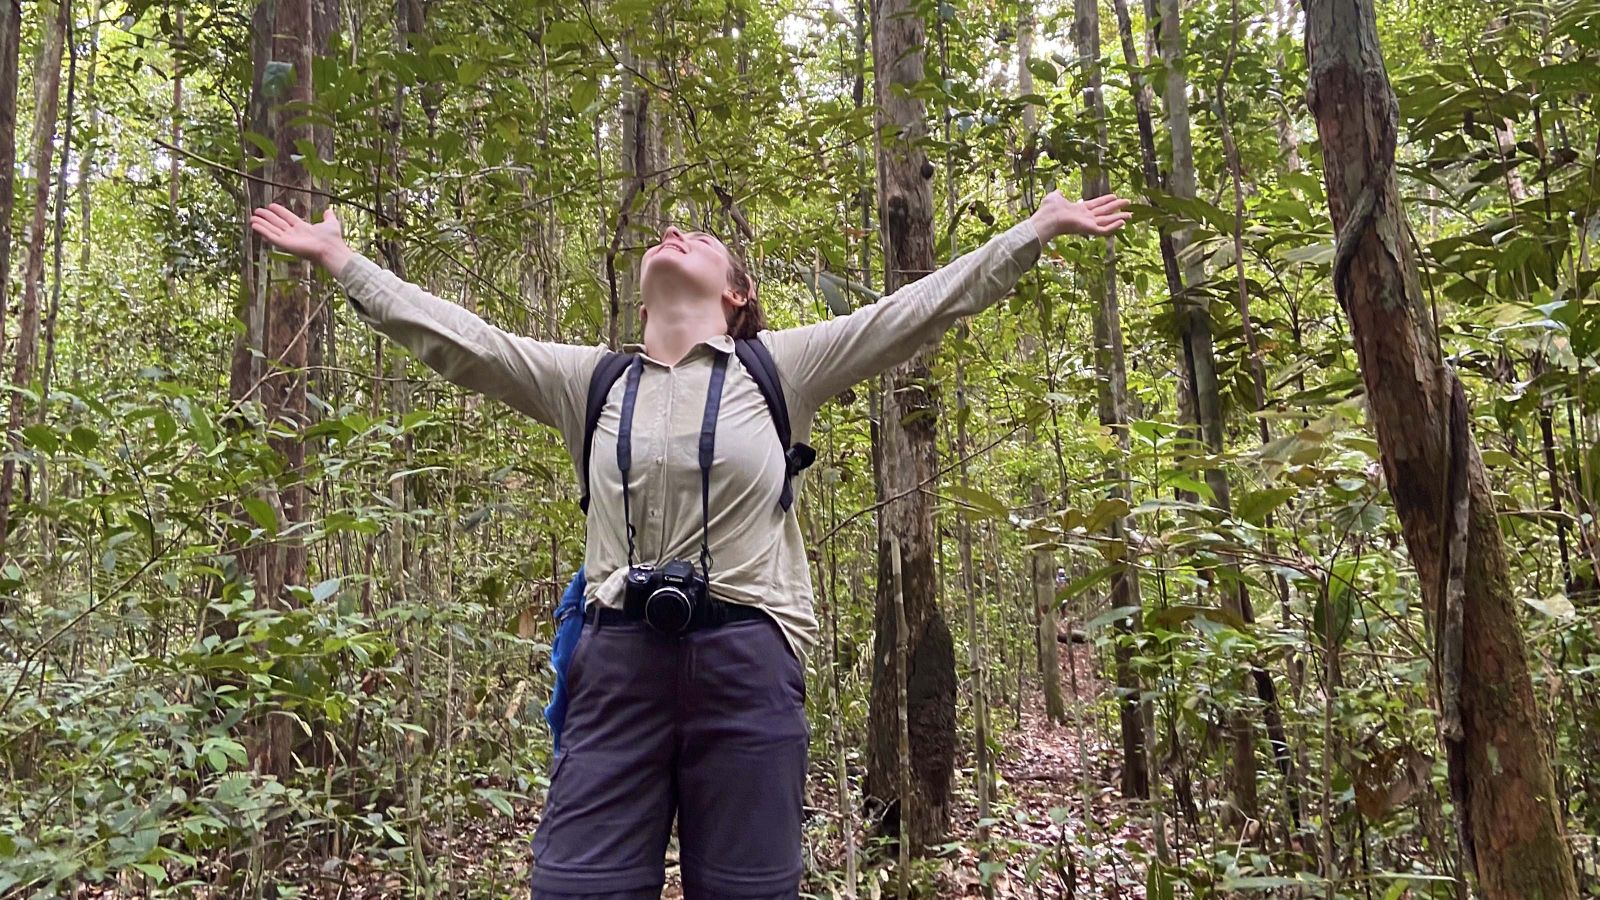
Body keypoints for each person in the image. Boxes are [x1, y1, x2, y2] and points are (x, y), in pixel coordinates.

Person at [248, 187, 1130, 899]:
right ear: (642, 293)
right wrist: (342, 259)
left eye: (700, 237)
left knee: (750, 889)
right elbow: (461, 342)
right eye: (666, 235)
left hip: (749, 662)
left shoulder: (781, 367)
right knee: (576, 885)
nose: (674, 231)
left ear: (735, 294)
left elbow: (918, 309)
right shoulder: (588, 381)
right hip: (617, 661)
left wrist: (1037, 229)